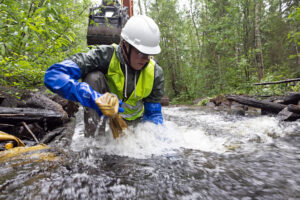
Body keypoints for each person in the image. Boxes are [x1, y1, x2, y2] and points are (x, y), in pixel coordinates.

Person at [44, 15, 164, 137]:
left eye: (148, 54)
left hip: (135, 125)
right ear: (125, 45)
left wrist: (156, 137)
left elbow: (153, 114)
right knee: (93, 77)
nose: (145, 59)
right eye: (140, 52)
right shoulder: (104, 56)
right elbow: (53, 75)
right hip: (105, 118)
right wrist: (91, 97)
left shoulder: (155, 73)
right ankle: (95, 143)